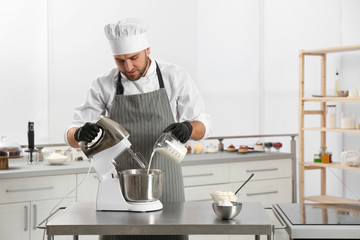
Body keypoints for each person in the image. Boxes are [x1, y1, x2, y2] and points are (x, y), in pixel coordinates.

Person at [65, 18, 211, 240]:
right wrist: (78, 134)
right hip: (121, 186)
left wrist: (189, 128)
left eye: (134, 58)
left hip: (166, 183)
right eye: (120, 61)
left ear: (147, 50)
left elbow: (203, 123)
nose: (128, 67)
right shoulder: (104, 83)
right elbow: (72, 131)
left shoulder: (175, 76)